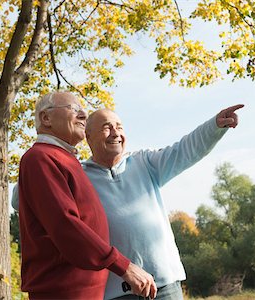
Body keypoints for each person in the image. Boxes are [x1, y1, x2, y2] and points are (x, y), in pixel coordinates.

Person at [81, 104, 243, 300]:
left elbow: (183, 151)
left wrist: (215, 126)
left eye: (120, 127)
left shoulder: (144, 162)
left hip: (165, 287)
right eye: (107, 127)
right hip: (116, 293)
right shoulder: (79, 177)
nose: (115, 133)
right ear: (88, 137)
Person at [18, 91, 157, 300]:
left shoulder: (64, 159)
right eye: (74, 109)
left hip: (85, 291)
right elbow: (65, 225)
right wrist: (124, 266)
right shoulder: (40, 158)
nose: (83, 115)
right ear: (46, 118)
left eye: (83, 110)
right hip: (62, 291)